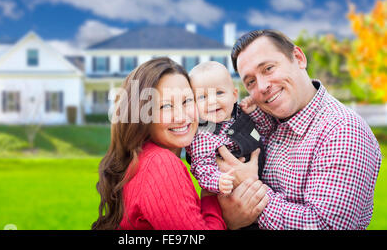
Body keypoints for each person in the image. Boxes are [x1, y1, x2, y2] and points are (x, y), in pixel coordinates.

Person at [219, 29, 382, 230]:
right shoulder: (267, 121)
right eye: (251, 81)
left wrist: (250, 193)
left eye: (268, 68)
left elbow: (325, 226)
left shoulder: (342, 130)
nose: (261, 86)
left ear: (298, 58)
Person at [91, 57, 269, 230]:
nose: (182, 116)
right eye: (165, 106)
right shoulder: (160, 164)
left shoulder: (143, 157)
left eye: (187, 101)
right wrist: (223, 214)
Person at [185, 61, 265, 195]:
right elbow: (202, 167)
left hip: (265, 180)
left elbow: (265, 130)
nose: (212, 101)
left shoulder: (242, 114)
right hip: (235, 192)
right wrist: (218, 180)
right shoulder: (203, 135)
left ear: (234, 95)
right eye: (202, 97)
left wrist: (254, 112)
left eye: (219, 93)